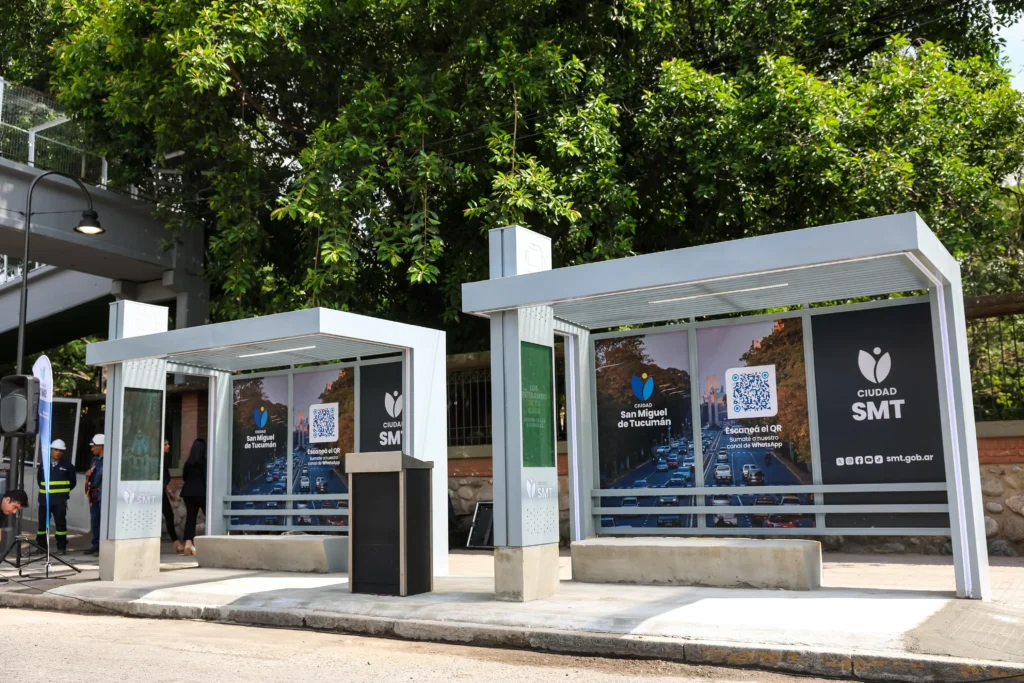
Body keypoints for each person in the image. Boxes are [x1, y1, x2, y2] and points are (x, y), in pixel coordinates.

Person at [36, 439, 76, 554]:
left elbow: (72, 483)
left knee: (60, 525)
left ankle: (61, 547)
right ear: (51, 450)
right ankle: (41, 547)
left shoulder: (68, 466)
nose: (58, 452)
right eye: (56, 450)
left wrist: (62, 494)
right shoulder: (43, 464)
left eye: (60, 450)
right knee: (42, 525)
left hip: (59, 501)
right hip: (44, 500)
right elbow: (39, 480)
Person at [180, 438, 207, 556]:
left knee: (190, 518)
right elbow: (206, 478)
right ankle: (212, 540)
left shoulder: (188, 463)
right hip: (201, 493)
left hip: (188, 493)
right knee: (210, 517)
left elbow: (184, 477)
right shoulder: (204, 463)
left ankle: (188, 543)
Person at [0, 489, 28, 584]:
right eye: (15, 507)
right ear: (7, 500)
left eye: (17, 509)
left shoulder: (3, 511)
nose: (14, 511)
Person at [83, 434, 105, 555]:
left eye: (94, 446)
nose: (92, 449)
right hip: (94, 494)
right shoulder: (95, 460)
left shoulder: (108, 460)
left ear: (101, 446)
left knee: (103, 521)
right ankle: (96, 545)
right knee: (95, 520)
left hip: (102, 495)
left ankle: (103, 546)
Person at [162, 440, 183, 554]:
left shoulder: (164, 460)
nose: (168, 446)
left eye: (168, 444)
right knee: (169, 515)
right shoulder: (159, 460)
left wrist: (168, 490)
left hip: (161, 491)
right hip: (157, 492)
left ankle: (176, 542)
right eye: (165, 445)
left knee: (169, 515)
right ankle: (176, 542)